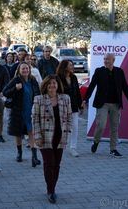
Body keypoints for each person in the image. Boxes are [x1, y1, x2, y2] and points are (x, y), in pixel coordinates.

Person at [82, 53, 128, 157]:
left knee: (114, 127)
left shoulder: (119, 72)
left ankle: (113, 149)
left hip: (115, 104)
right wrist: (85, 99)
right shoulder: (99, 71)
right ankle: (96, 141)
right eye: (104, 59)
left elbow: (125, 87)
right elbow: (92, 86)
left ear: (113, 60)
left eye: (108, 59)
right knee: (101, 125)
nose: (105, 61)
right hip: (103, 103)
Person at [32, 75, 72, 204]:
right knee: (49, 164)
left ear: (57, 85)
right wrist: (37, 136)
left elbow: (69, 116)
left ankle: (52, 187)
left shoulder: (65, 98)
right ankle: (51, 191)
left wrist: (68, 131)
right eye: (49, 84)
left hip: (60, 136)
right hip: (45, 137)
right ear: (45, 86)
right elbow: (35, 119)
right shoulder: (39, 99)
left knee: (57, 164)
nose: (52, 86)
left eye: (54, 83)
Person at [3, 62, 41, 167]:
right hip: (19, 111)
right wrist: (15, 88)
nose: (25, 70)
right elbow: (5, 92)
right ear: (19, 70)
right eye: (23, 69)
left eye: (27, 68)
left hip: (31, 110)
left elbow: (38, 93)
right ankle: (19, 153)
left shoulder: (33, 80)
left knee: (31, 132)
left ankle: (34, 156)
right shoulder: (16, 80)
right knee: (18, 133)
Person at [57, 60, 83, 157]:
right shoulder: (58, 78)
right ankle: (59, 145)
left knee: (75, 127)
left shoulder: (74, 77)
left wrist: (81, 105)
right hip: (61, 106)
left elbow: (77, 92)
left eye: (72, 65)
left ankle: (73, 147)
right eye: (70, 65)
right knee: (61, 127)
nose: (72, 66)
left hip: (73, 106)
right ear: (65, 67)